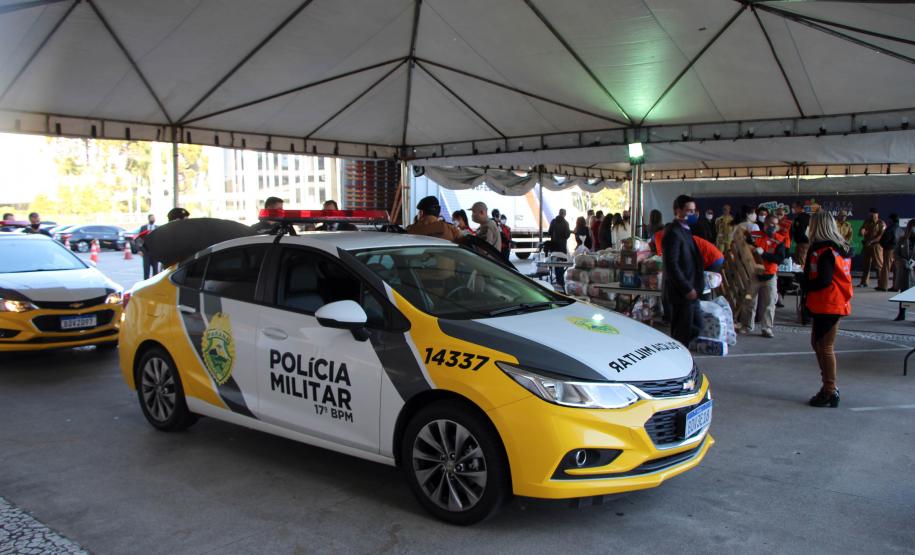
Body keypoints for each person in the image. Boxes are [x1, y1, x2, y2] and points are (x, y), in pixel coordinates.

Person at [801, 211, 853, 408]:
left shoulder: (826, 251)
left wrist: (804, 283)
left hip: (830, 303)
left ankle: (830, 390)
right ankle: (828, 387)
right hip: (829, 302)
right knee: (818, 343)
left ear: (818, 226)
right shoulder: (836, 248)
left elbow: (824, 280)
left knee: (825, 346)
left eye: (811, 224)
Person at [661, 195, 704, 347]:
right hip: (682, 292)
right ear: (678, 211)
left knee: (698, 326)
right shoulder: (673, 232)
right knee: (682, 333)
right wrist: (686, 287)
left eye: (694, 211)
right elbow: (671, 264)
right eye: (689, 211)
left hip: (692, 289)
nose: (693, 214)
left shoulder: (686, 230)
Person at [738, 214, 786, 338]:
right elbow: (744, 246)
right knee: (749, 300)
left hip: (770, 276)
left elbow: (779, 258)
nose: (773, 226)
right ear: (765, 224)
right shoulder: (755, 235)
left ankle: (767, 328)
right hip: (754, 276)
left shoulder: (780, 239)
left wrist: (764, 254)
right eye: (771, 223)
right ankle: (747, 325)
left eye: (775, 224)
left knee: (769, 303)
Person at [857, 208, 885, 287]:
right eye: (870, 215)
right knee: (866, 265)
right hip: (867, 246)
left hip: (876, 246)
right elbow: (860, 232)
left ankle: (881, 284)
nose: (872, 216)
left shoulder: (881, 223)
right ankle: (864, 282)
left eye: (873, 215)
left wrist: (871, 241)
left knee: (878, 265)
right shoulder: (866, 221)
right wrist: (862, 231)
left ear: (877, 214)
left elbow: (881, 236)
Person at [893, 220, 915, 319]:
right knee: (904, 292)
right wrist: (903, 261)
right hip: (905, 270)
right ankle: (902, 314)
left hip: (914, 269)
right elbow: (896, 253)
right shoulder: (902, 239)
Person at [547, 208, 571, 286]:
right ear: (564, 214)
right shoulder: (565, 223)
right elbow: (567, 235)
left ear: (559, 213)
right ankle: (560, 280)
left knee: (555, 262)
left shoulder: (553, 221)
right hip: (562, 247)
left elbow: (549, 232)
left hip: (554, 246)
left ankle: (557, 279)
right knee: (561, 263)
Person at [877, 213, 899, 291]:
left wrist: (884, 246)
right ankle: (896, 286)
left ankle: (883, 286)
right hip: (898, 251)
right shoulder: (900, 228)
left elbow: (884, 239)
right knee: (896, 268)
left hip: (889, 250)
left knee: (886, 268)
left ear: (891, 220)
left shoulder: (890, 228)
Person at [139, 214, 158, 279]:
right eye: (152, 218)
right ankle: (145, 283)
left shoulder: (157, 228)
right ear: (149, 219)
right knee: (146, 269)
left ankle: (155, 283)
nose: (153, 219)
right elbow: (140, 239)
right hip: (146, 252)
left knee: (155, 269)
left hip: (155, 252)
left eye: (154, 218)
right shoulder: (143, 228)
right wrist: (140, 250)